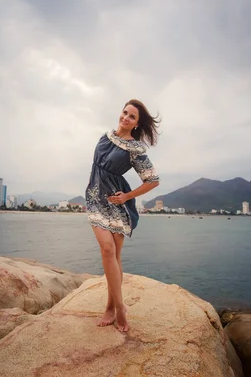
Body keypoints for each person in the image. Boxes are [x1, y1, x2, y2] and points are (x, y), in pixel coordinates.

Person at [85, 99, 160, 332]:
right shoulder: (104, 137)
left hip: (118, 203)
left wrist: (127, 197)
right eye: (125, 113)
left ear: (136, 124)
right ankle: (120, 307)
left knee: (114, 256)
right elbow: (96, 168)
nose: (126, 118)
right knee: (107, 250)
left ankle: (112, 307)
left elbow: (153, 181)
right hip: (96, 198)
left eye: (132, 117)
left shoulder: (135, 148)